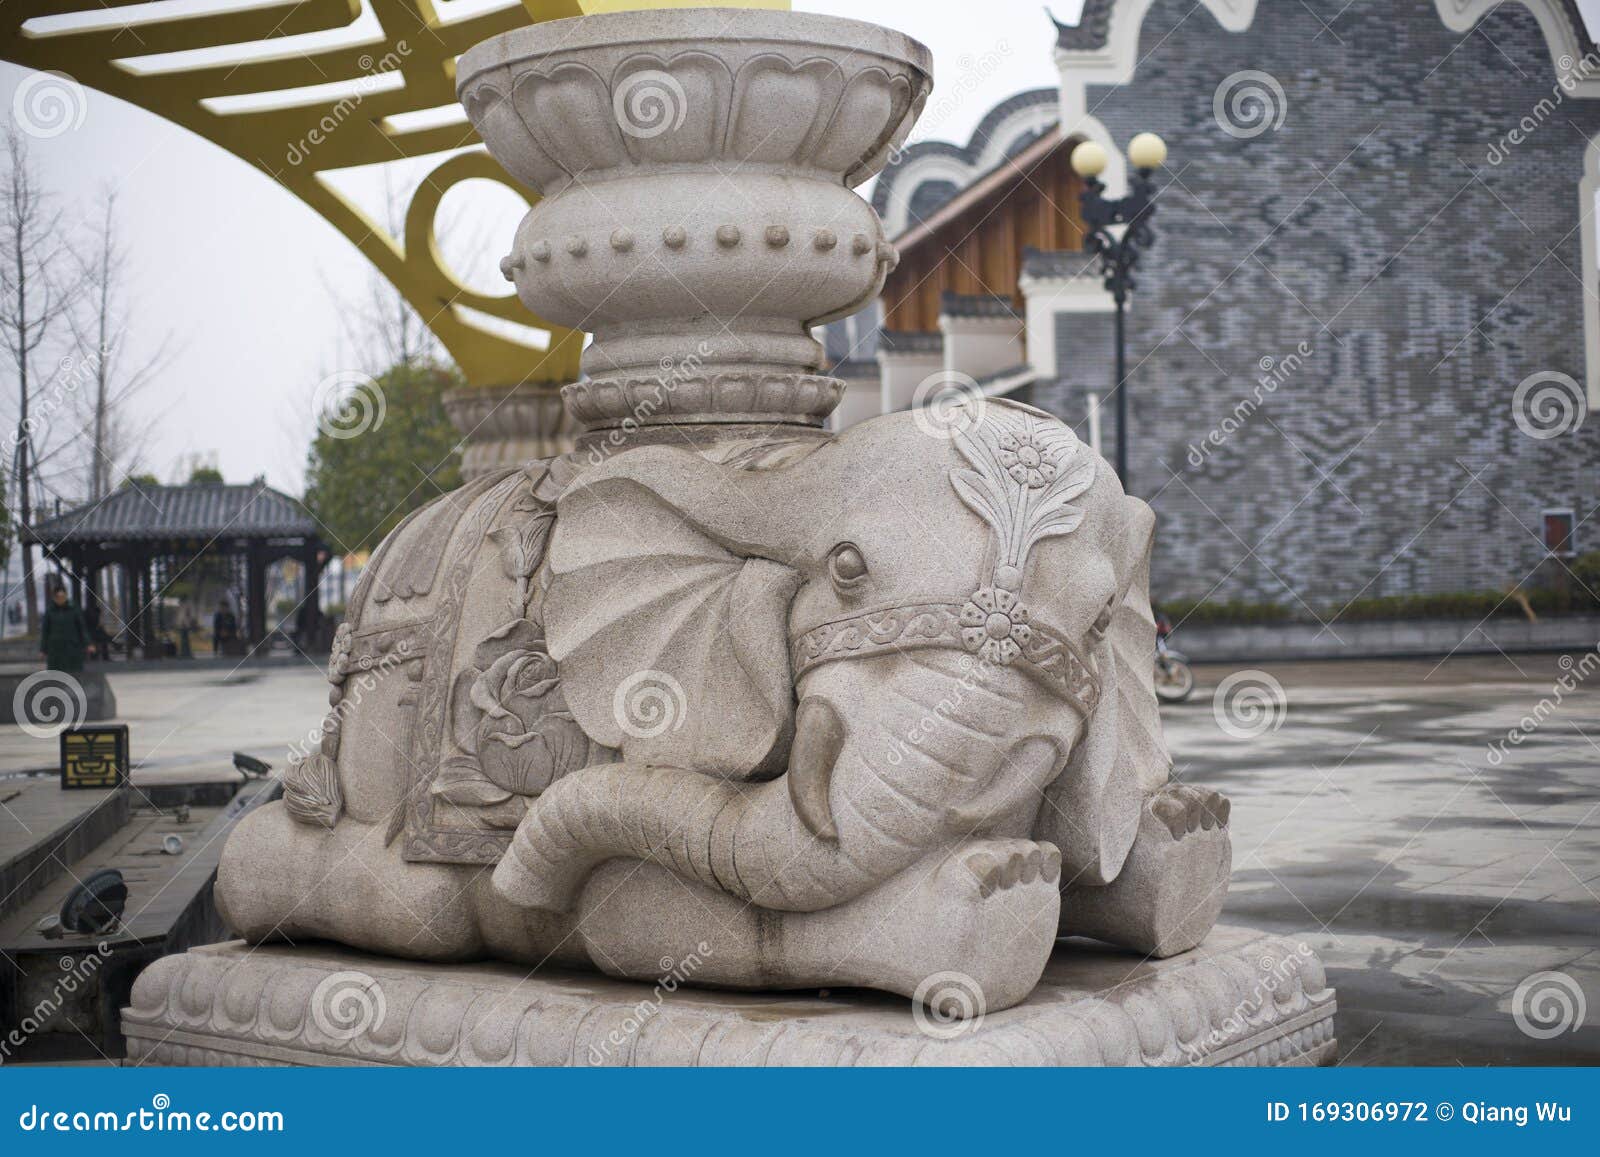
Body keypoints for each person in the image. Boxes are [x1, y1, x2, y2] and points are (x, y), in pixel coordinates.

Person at [39, 587, 91, 673]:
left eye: (63, 597)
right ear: (54, 598)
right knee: (56, 675)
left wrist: (88, 643)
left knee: (74, 673)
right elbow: (45, 632)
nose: (61, 599)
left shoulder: (74, 609)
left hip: (72, 647)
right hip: (55, 649)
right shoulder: (50, 611)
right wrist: (43, 650)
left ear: (66, 596)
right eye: (58, 597)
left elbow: (82, 628)